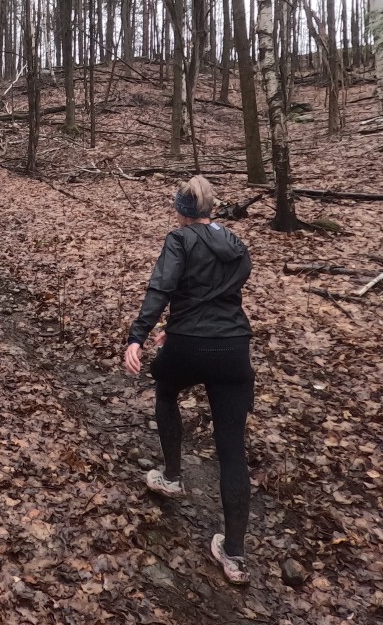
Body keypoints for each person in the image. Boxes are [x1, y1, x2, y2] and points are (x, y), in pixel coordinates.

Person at [122, 175, 254, 586]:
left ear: (181, 210)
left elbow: (161, 287)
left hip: (189, 344)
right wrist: (176, 326)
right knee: (232, 449)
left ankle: (172, 476)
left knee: (165, 390)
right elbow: (220, 293)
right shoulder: (235, 244)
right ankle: (234, 555)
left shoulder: (179, 240)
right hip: (233, 347)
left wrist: (138, 336)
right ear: (210, 209)